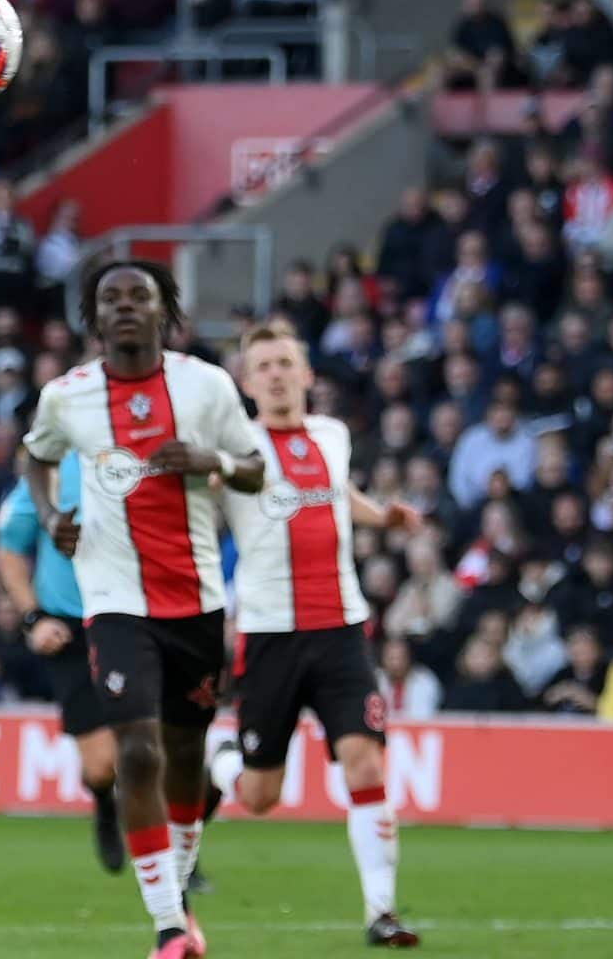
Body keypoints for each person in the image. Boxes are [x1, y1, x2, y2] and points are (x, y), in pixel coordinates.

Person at [21, 259, 265, 959]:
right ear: (94, 319)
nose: (125, 307)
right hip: (114, 600)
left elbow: (255, 468)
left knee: (186, 752)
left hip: (197, 600)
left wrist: (211, 461)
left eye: (140, 297)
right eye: (110, 299)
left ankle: (178, 899)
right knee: (137, 748)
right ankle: (166, 926)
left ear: (164, 312)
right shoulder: (67, 397)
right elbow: (33, 457)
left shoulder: (207, 385)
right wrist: (50, 515)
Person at [205, 324, 423, 948]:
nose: (275, 374)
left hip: (341, 630)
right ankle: (216, 761)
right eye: (263, 366)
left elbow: (336, 492)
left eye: (285, 362)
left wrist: (383, 516)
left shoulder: (333, 434)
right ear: (247, 384)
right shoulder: (237, 446)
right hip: (269, 634)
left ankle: (381, 912)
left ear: (306, 375)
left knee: (365, 759)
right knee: (261, 795)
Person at [0, 449, 124, 873]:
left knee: (148, 746)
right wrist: (34, 619)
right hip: (70, 628)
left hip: (132, 619)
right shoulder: (51, 470)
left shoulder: (135, 458)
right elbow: (10, 546)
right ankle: (106, 803)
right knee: (102, 765)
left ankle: (177, 853)